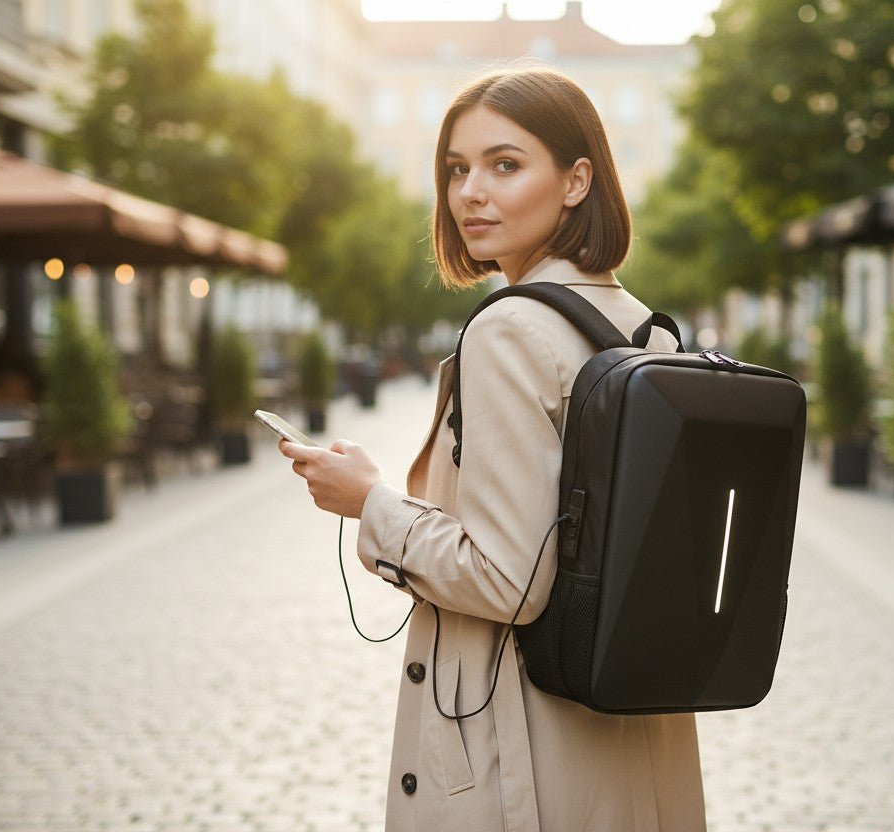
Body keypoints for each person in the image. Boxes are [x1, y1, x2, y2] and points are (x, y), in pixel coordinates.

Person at [278, 68, 706, 832]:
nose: (470, 191)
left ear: (578, 180)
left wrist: (369, 502)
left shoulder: (511, 329)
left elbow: (509, 582)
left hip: (523, 750)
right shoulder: (647, 327)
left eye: (504, 165)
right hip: (637, 736)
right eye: (456, 169)